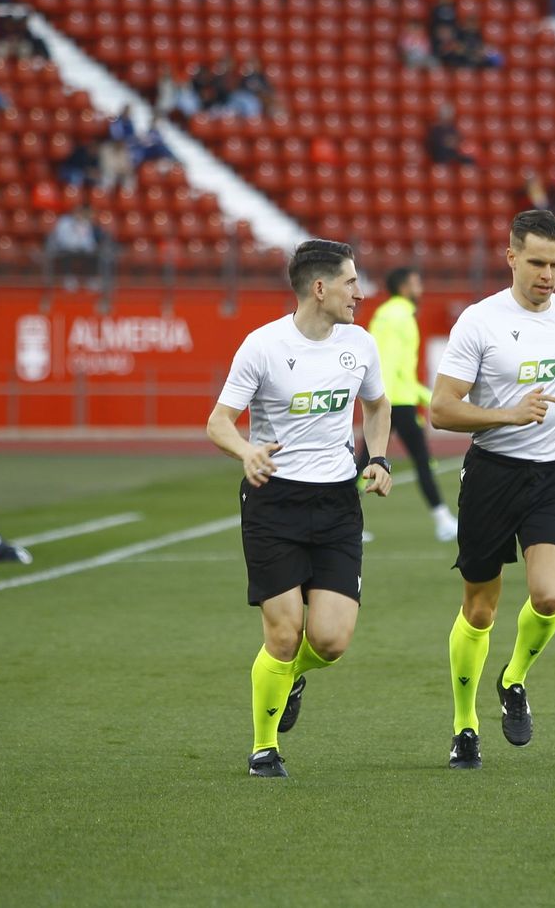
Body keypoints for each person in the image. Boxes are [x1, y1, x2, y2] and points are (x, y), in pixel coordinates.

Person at [429, 210, 555, 770]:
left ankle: (513, 679)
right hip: (492, 475)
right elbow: (441, 409)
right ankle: (464, 724)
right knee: (480, 610)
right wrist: (507, 415)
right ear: (511, 257)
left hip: (553, 476)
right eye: (536, 262)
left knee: (549, 596)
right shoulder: (480, 322)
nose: (548, 275)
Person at [205, 240, 393, 779]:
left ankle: (288, 678)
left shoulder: (360, 344)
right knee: (284, 634)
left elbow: (378, 405)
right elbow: (218, 422)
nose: (359, 293)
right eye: (351, 282)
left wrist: (378, 458)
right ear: (320, 288)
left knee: (330, 642)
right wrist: (247, 452)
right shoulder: (263, 346)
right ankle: (264, 749)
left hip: (337, 503)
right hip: (275, 500)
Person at [364, 267, 458, 542]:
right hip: (396, 402)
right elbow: (391, 365)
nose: (420, 288)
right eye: (416, 283)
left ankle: (340, 519)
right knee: (420, 460)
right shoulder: (401, 317)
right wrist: (397, 401)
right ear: (404, 287)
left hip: (389, 399)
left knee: (365, 464)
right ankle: (443, 521)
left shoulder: (385, 314)